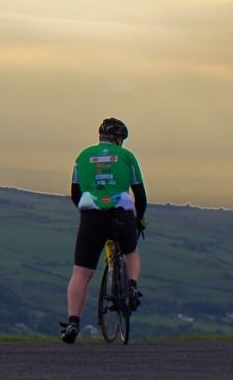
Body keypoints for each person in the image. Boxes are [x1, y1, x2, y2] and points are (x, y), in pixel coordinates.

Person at [60, 117, 147, 344]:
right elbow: (140, 194)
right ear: (119, 139)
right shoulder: (127, 157)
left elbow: (75, 193)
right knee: (131, 252)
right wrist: (139, 220)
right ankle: (133, 288)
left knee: (81, 272)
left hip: (92, 214)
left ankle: (72, 322)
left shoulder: (83, 156)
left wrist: (87, 212)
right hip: (121, 211)